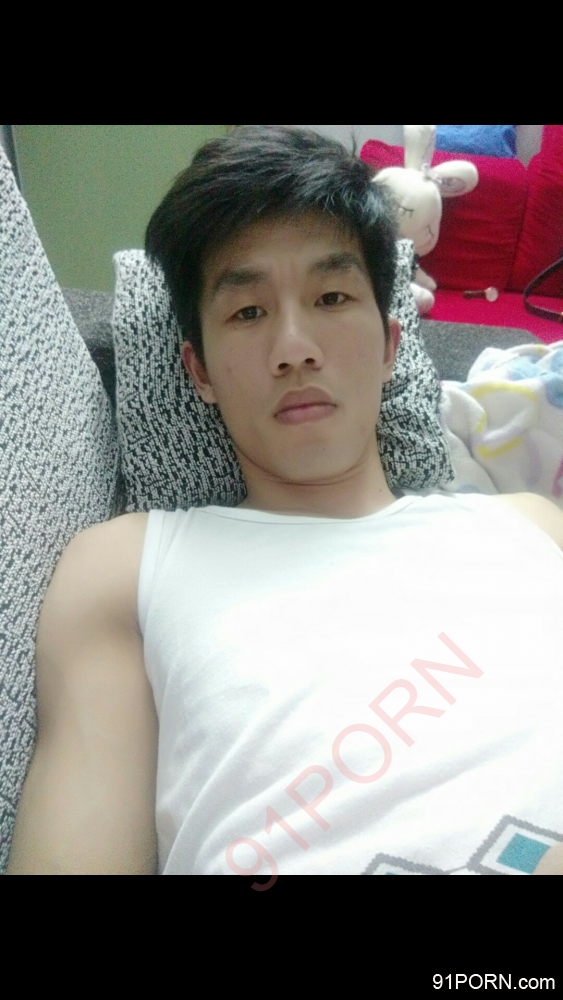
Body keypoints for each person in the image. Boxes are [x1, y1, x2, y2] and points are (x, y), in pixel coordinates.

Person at [7, 126, 563, 877]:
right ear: (199, 372)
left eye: (331, 297)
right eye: (247, 312)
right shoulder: (126, 566)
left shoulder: (528, 528)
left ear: (390, 345)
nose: (295, 347)